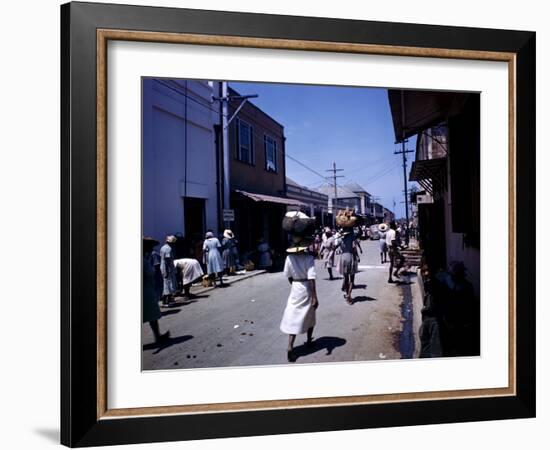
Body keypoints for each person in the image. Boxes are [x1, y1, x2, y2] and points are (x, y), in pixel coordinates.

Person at [280, 223, 319, 363]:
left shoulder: (289, 258)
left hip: (295, 287)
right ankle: (308, 340)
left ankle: (290, 346)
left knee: (293, 316)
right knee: (310, 314)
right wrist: (314, 296)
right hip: (306, 288)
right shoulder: (308, 258)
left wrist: (295, 284)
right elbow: (312, 278)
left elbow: (288, 276)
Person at [143, 237, 170, 344]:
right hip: (144, 291)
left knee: (152, 315)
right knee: (151, 314)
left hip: (148, 289)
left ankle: (157, 336)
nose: (151, 249)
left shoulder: (146, 258)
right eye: (149, 246)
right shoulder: (142, 260)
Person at [159, 235, 178, 306]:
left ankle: (166, 301)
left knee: (166, 284)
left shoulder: (163, 247)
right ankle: (167, 301)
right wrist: (167, 271)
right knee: (168, 285)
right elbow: (167, 260)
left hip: (164, 267)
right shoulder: (168, 249)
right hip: (167, 268)